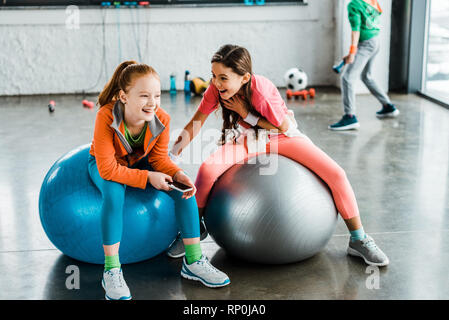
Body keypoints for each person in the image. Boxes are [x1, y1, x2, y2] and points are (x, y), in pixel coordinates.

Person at [168, 44, 389, 267]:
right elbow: (195, 123)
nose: (216, 82)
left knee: (337, 173)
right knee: (207, 169)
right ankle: (195, 231)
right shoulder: (216, 89)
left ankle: (359, 239)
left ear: (244, 78)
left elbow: (282, 127)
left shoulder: (261, 90)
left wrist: (246, 114)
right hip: (248, 137)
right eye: (213, 75)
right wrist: (173, 156)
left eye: (223, 77)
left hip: (281, 136)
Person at [89, 60, 230, 300]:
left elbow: (159, 160)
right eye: (144, 96)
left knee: (185, 190)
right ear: (123, 96)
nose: (152, 102)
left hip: (141, 164)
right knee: (114, 193)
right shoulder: (106, 116)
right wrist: (147, 178)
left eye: (156, 95)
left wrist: (177, 174)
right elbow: (108, 169)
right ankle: (111, 270)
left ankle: (194, 261)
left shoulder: (161, 119)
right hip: (106, 166)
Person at [329, 0, 399, 131]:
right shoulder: (371, 1)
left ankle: (350, 117)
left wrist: (352, 52)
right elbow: (376, 15)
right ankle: (388, 106)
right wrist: (354, 52)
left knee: (347, 78)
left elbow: (355, 31)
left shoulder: (354, 4)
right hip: (375, 41)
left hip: (366, 44)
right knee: (366, 76)